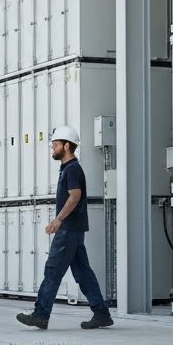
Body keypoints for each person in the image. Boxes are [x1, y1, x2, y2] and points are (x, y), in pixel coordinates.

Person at [16, 125, 114, 331]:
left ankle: (40, 315)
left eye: (55, 145)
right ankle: (102, 313)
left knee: (53, 270)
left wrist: (58, 219)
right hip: (74, 229)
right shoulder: (69, 169)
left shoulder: (72, 169)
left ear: (66, 146)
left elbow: (75, 195)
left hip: (69, 229)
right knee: (83, 273)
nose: (53, 148)